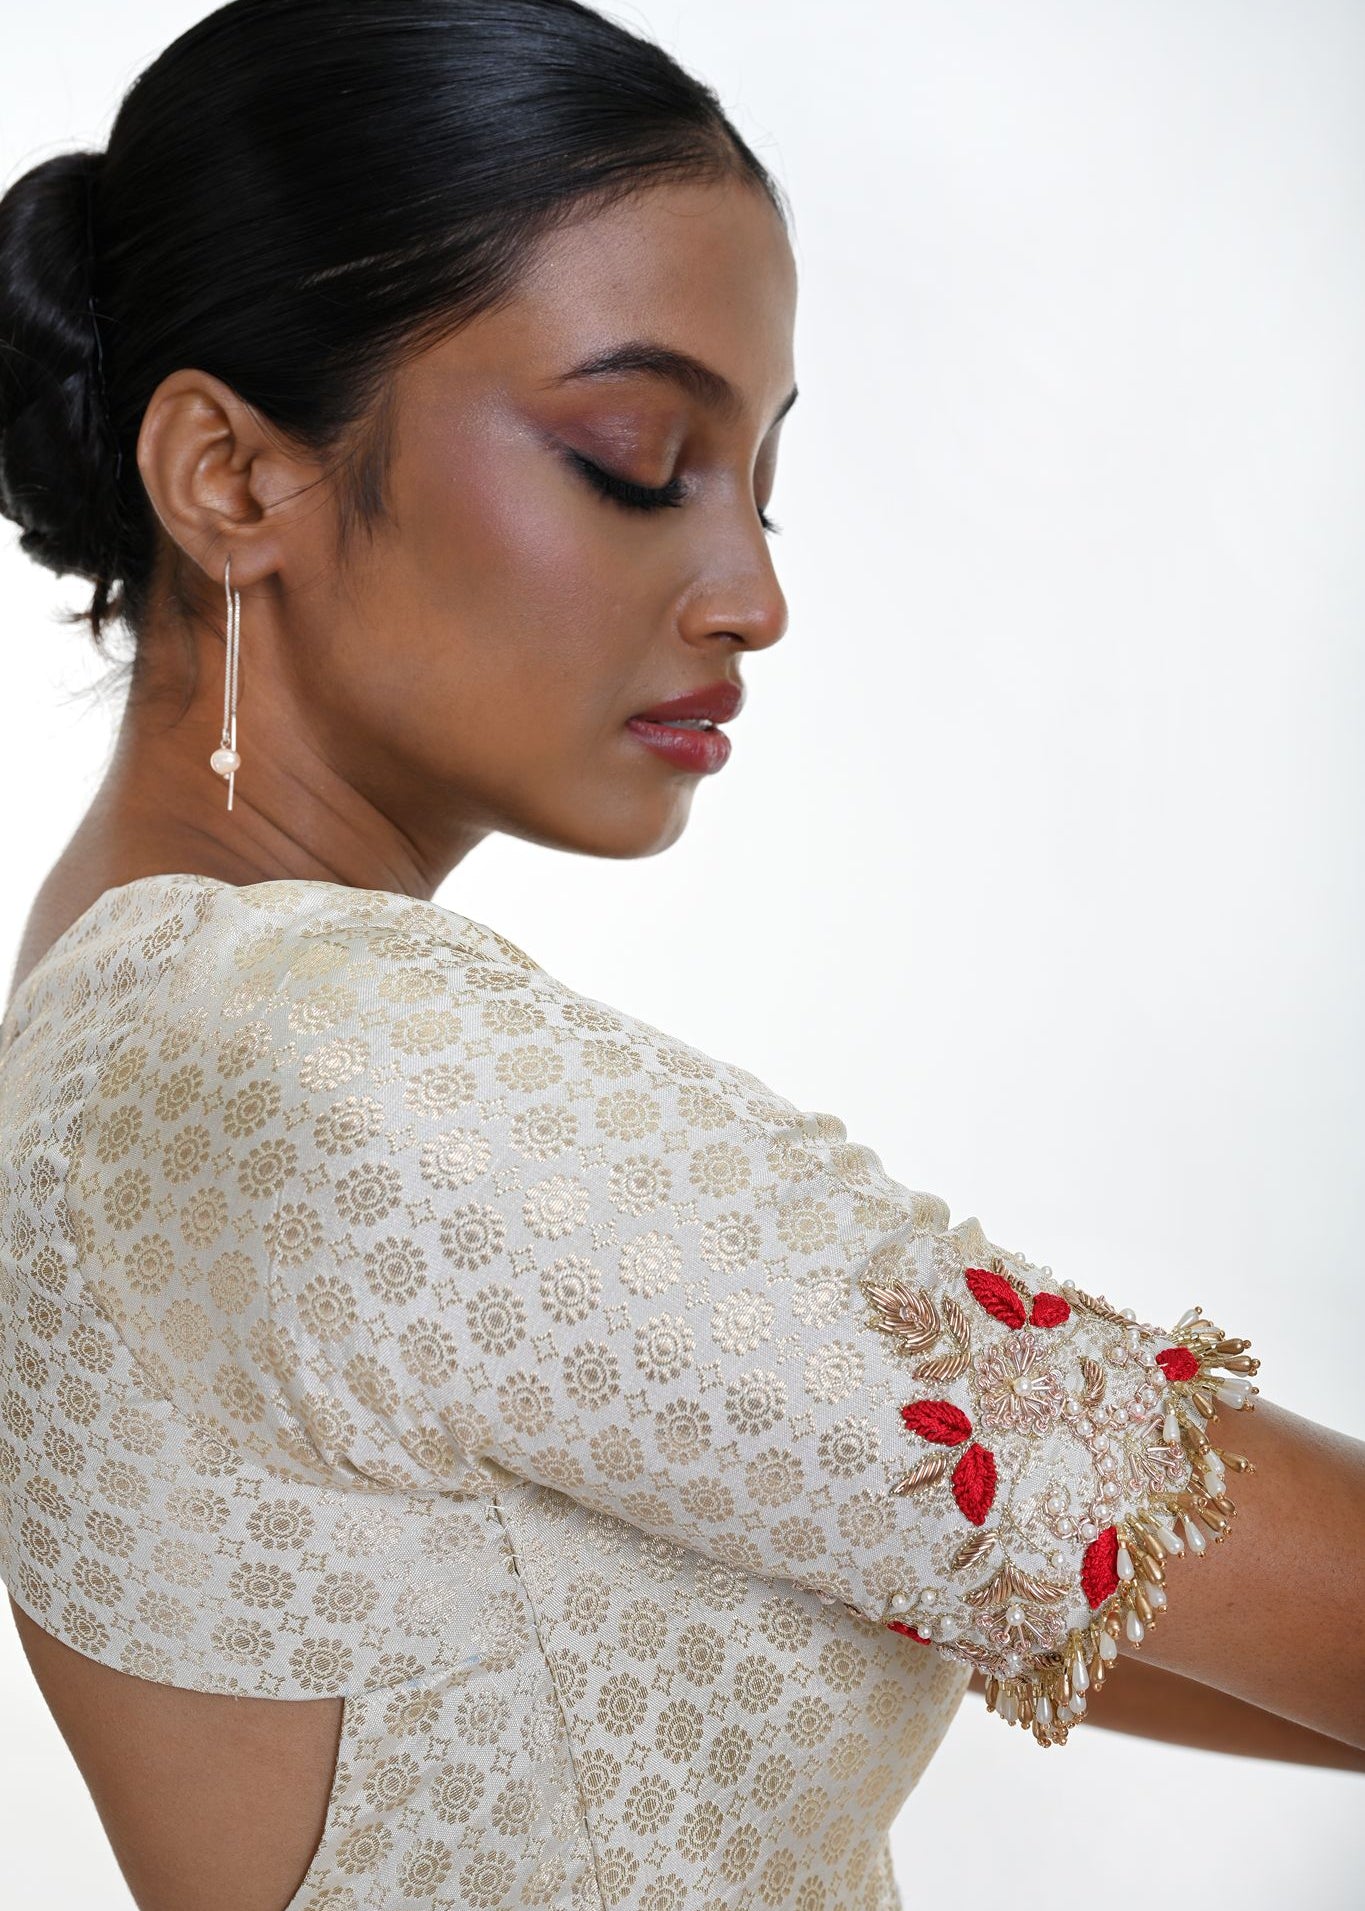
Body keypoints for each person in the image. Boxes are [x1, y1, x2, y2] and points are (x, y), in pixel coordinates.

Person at [0, 2, 1361, 1907]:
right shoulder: (336, 1056)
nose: (756, 595)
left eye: (760, 480)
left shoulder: (112, 1019)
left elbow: (1031, 1563)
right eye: (636, 459)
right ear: (229, 477)